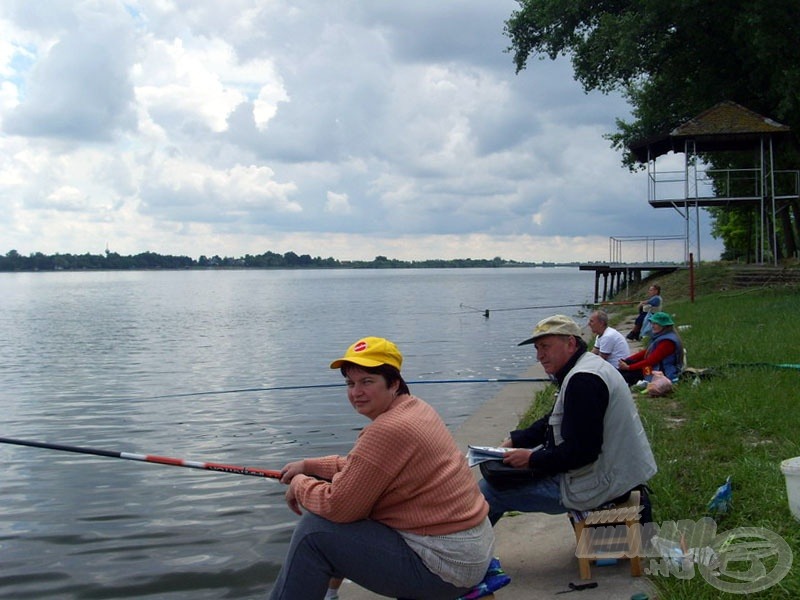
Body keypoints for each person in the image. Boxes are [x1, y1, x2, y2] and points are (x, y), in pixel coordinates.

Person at [269, 336, 495, 600]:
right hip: (470, 552)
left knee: (313, 532)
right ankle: (328, 594)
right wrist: (309, 466)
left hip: (446, 570)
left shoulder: (387, 430)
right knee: (351, 501)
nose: (356, 392)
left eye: (367, 381)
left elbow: (338, 507)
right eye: (350, 383)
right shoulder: (415, 408)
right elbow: (366, 469)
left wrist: (299, 485)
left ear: (394, 382)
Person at [479, 315, 657, 524]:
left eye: (545, 346)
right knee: (501, 479)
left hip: (603, 484)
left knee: (486, 494)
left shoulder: (583, 381)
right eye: (537, 348)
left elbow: (582, 452)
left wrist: (531, 459)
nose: (540, 356)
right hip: (616, 473)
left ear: (570, 343)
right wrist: (515, 441)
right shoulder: (585, 367)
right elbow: (553, 419)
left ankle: (469, 556)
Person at [618, 312, 684, 385]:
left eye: (655, 324)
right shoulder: (661, 336)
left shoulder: (667, 342)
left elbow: (651, 361)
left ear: (664, 326)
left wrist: (629, 367)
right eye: (652, 323)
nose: (652, 326)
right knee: (621, 372)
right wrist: (628, 360)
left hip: (661, 372)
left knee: (624, 375)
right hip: (653, 368)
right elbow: (647, 352)